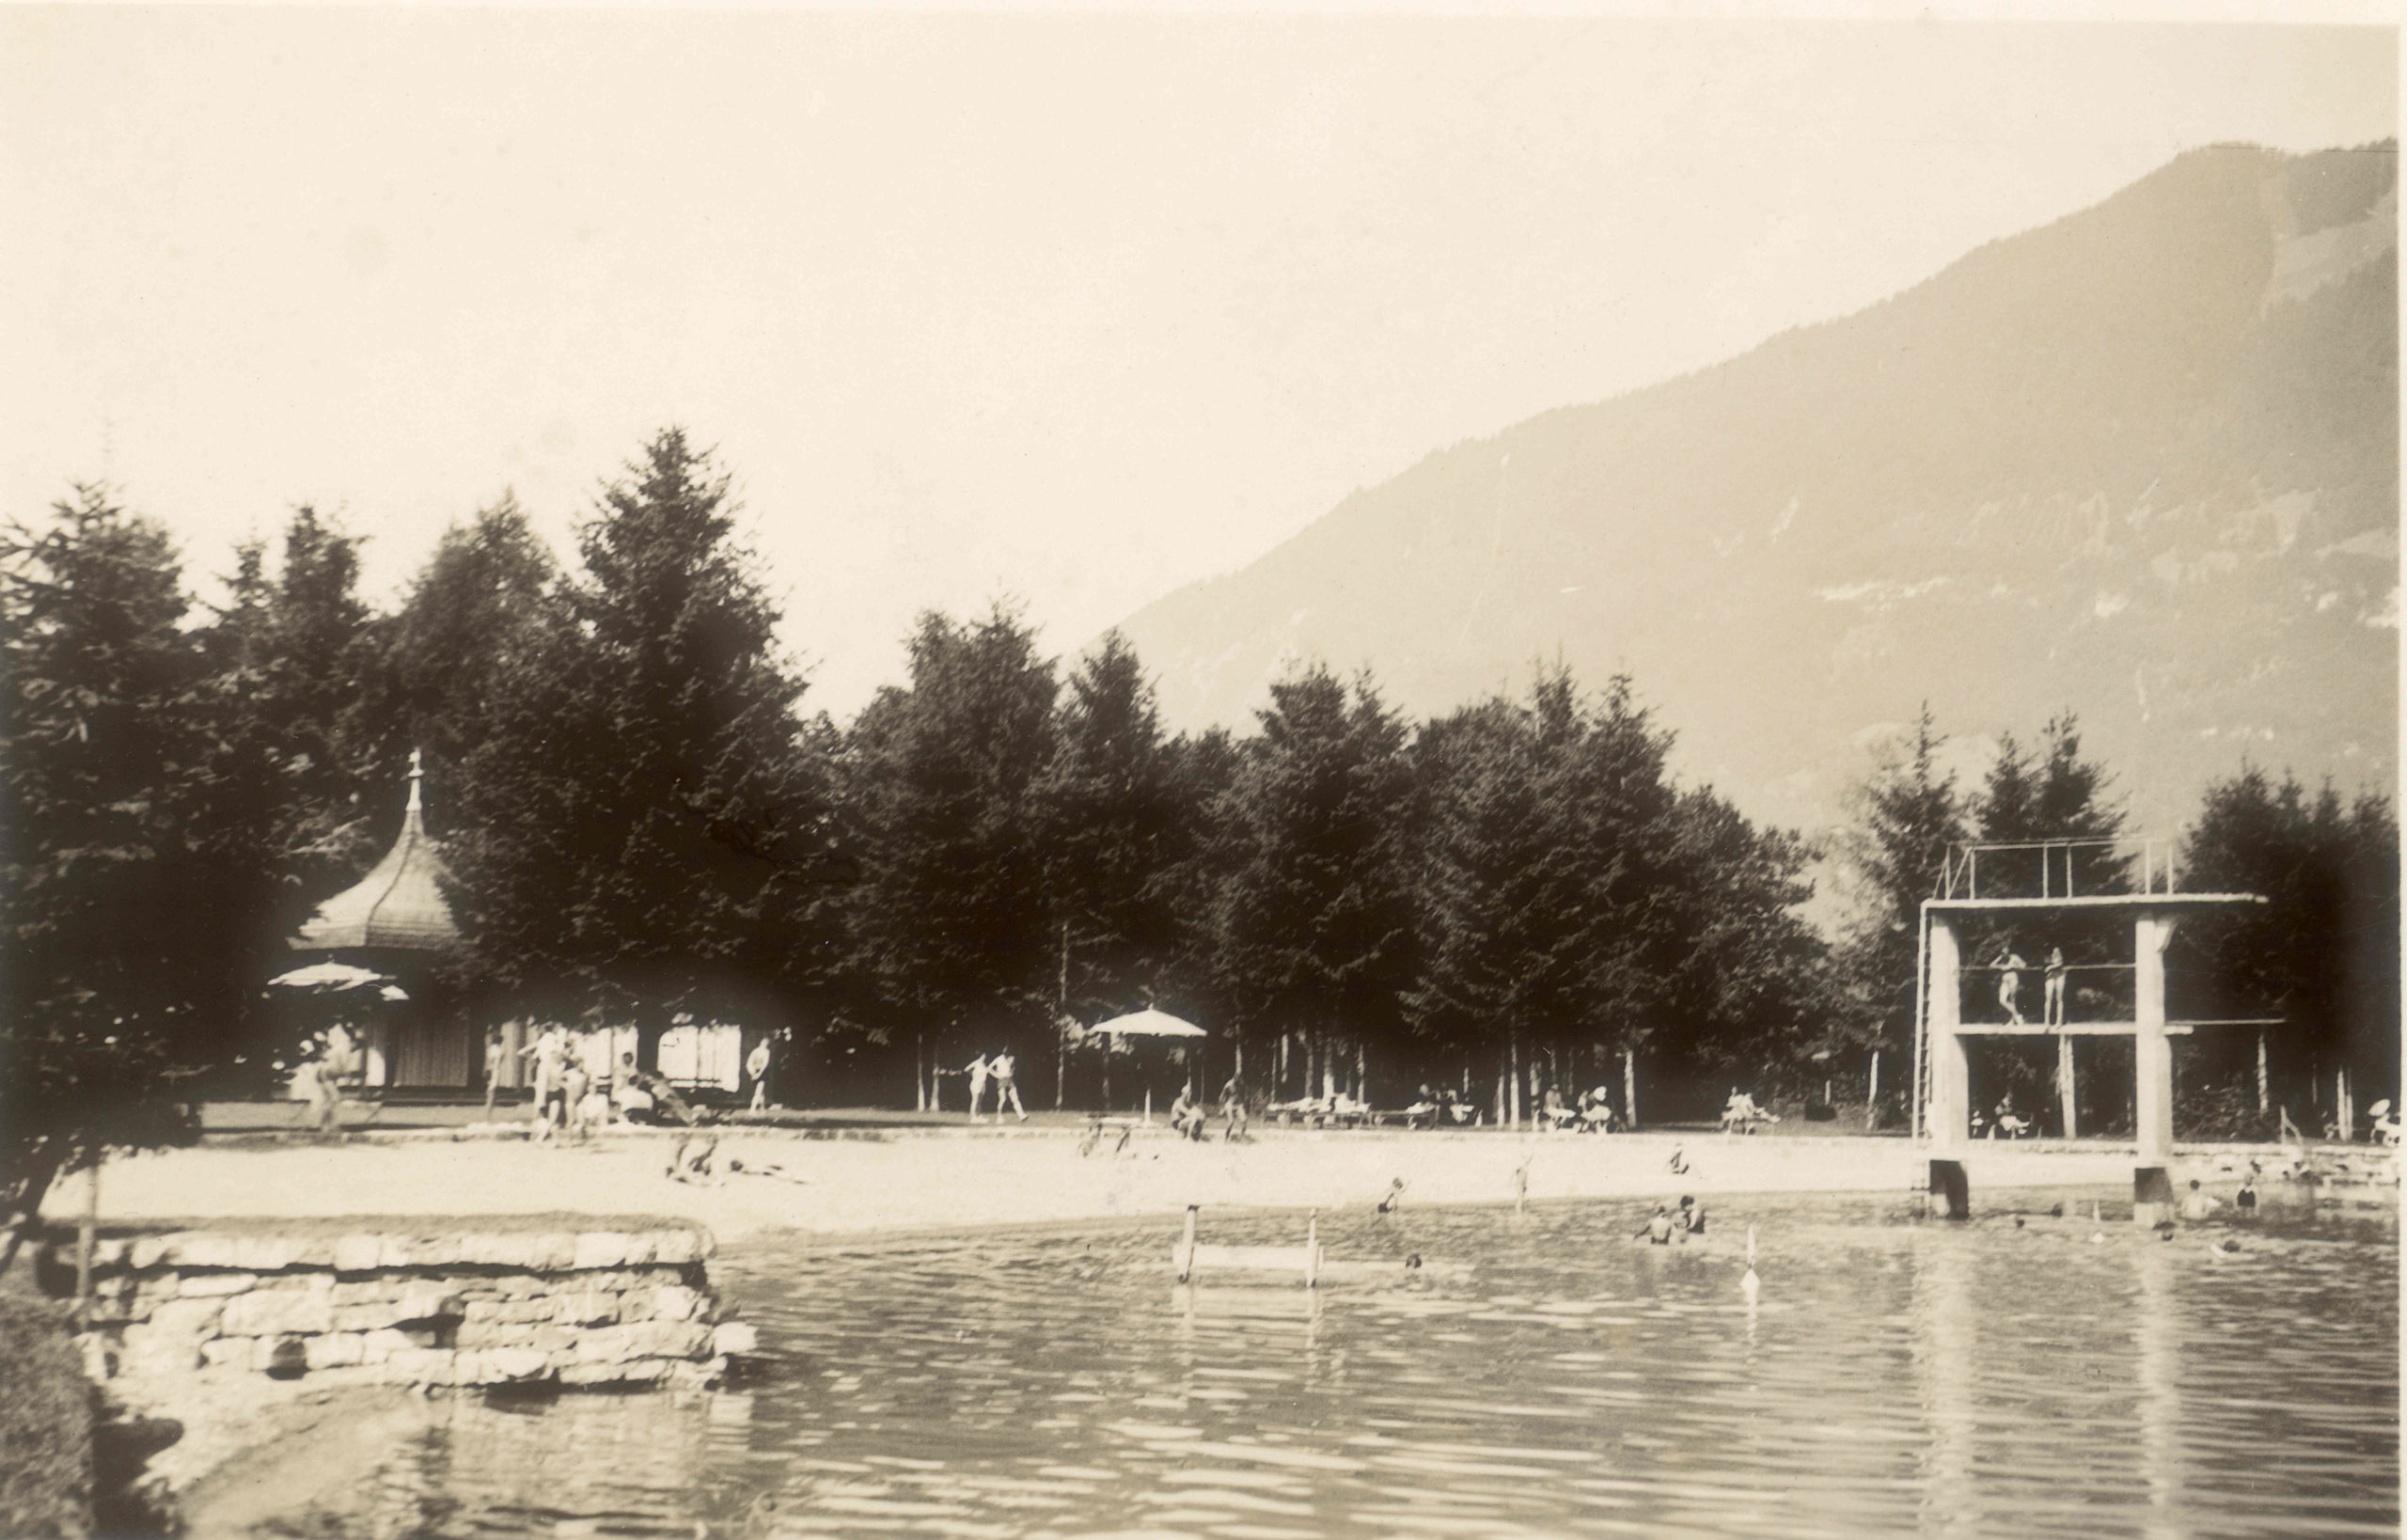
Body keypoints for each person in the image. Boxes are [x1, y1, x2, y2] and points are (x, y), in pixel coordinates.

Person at [991, 1048, 1028, 1122]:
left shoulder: (1012, 1058)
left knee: (1015, 1098)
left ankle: (1021, 1115)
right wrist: (996, 1075)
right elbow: (989, 1068)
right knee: (1003, 1099)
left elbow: (1013, 1067)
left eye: (1007, 1055)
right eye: (1005, 1055)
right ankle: (999, 1117)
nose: (1006, 1056)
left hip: (1009, 1080)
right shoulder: (998, 1059)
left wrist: (1012, 1071)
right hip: (1002, 1080)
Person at [1997, 946, 2027, 1026]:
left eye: (2006, 952)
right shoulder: (2001, 958)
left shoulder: (2015, 957)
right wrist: (2001, 966)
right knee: (2002, 1000)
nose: (2004, 954)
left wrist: (2014, 966)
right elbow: (1991, 965)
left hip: (2013, 978)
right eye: (2003, 953)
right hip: (2004, 980)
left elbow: (2024, 965)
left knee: (2012, 1000)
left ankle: (2012, 1020)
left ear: (2009, 951)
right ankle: (2018, 1016)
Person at [482, 1028, 507, 1120]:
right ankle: (488, 1114)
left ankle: (488, 1113)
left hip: (490, 1070)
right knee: (492, 1092)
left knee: (490, 1092)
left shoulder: (490, 1049)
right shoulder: (500, 1050)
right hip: (495, 1071)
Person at [746, 1035, 773, 1113]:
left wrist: (760, 1073)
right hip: (755, 1071)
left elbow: (765, 1064)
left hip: (763, 1073)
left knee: (758, 1091)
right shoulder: (755, 1051)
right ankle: (763, 1109)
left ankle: (752, 1109)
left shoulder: (767, 1052)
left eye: (766, 1043)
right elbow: (749, 1062)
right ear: (761, 1042)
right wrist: (752, 1073)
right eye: (763, 1042)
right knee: (760, 1092)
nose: (764, 1044)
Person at [2043, 946, 2069, 1028]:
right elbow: (2045, 968)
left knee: (2059, 998)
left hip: (2059, 976)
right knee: (2048, 997)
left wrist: (2051, 967)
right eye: (2053, 952)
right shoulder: (2047, 957)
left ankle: (2059, 1021)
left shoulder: (2060, 957)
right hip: (2050, 977)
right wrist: (2049, 967)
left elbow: (2060, 964)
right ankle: (2047, 1021)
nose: (2055, 953)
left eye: (2057, 951)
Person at [964, 1053, 991, 1123]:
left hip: (982, 1084)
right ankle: (973, 1117)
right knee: (975, 1100)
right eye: (983, 1055)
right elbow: (966, 1069)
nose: (984, 1057)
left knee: (979, 1101)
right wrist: (972, 1073)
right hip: (976, 1084)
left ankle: (978, 1116)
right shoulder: (976, 1063)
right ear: (981, 1055)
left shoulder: (984, 1065)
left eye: (985, 1055)